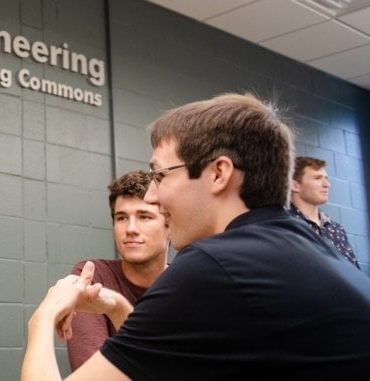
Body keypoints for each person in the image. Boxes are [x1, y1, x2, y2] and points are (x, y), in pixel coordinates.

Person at [21, 93, 370, 380]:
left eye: (160, 175)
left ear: (219, 174)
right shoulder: (321, 254)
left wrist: (43, 318)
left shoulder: (216, 267)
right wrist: (117, 306)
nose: (154, 196)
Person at [65, 170, 168, 370]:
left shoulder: (188, 284)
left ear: (170, 225)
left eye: (144, 217)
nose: (130, 228)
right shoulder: (92, 276)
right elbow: (93, 373)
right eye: (121, 218)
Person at [288, 156, 360, 268]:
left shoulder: (336, 229)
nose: (327, 184)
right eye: (317, 178)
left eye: (326, 178)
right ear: (295, 185)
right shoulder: (283, 224)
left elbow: (354, 271)